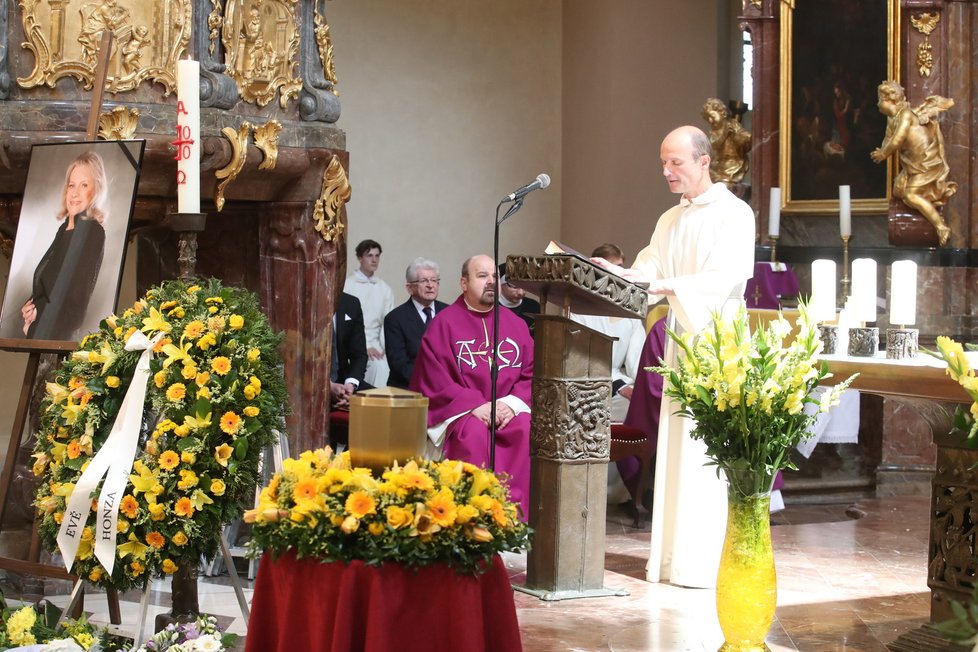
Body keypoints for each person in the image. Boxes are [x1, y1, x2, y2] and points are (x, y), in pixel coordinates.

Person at [592, 125, 755, 589]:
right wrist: (616, 272)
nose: (666, 171)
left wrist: (666, 287)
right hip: (681, 339)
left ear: (704, 161)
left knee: (705, 451)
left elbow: (728, 276)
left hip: (716, 340)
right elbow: (648, 271)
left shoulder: (734, 213)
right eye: (663, 162)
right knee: (677, 447)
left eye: (675, 162)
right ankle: (672, 560)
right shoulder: (669, 219)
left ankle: (702, 563)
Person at [409, 254, 534, 518]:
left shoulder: (517, 324)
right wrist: (475, 404)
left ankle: (513, 517)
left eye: (493, 276)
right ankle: (471, 516)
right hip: (466, 413)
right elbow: (434, 377)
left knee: (524, 428)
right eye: (481, 276)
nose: (490, 282)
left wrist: (510, 405)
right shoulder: (443, 324)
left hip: (507, 410)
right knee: (474, 434)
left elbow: (532, 372)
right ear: (463, 283)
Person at [570, 243, 646, 506]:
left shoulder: (629, 310)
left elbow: (638, 361)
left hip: (621, 385)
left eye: (621, 268)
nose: (618, 275)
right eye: (613, 268)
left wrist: (640, 387)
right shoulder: (579, 309)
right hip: (587, 385)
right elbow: (580, 360)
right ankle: (593, 493)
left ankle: (631, 492)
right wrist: (617, 385)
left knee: (638, 408)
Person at [21, 151, 108, 340]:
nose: (75, 193)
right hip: (43, 331)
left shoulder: (92, 232)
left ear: (97, 190)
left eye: (84, 185)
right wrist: (31, 306)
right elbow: (51, 278)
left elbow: (75, 300)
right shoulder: (64, 230)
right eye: (71, 185)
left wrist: (37, 320)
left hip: (56, 339)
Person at [870, 80, 956, 246]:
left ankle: (940, 226)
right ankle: (925, 205)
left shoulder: (906, 115)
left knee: (910, 195)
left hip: (926, 163)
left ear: (889, 100)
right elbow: (888, 139)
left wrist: (883, 154)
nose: (878, 103)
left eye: (880, 99)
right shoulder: (892, 119)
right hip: (912, 165)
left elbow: (897, 140)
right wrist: (882, 150)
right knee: (898, 190)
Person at [384, 258, 448, 389]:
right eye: (424, 281)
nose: (430, 285)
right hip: (409, 389)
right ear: (409, 288)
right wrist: (432, 382)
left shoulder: (449, 312)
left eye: (434, 280)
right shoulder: (395, 318)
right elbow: (399, 364)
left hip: (446, 387)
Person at [344, 239, 394, 387]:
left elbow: (387, 323)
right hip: (352, 342)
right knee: (378, 366)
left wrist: (385, 350)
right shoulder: (347, 285)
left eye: (377, 256)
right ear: (360, 257)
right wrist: (363, 347)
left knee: (384, 364)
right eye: (369, 255)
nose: (374, 260)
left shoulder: (385, 289)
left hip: (377, 344)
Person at [330, 292, 372, 409]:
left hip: (344, 380)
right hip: (310, 384)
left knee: (385, 405)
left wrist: (350, 384)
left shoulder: (350, 303)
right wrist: (328, 386)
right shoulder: (301, 300)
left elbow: (359, 355)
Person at [701, 97, 751, 187]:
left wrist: (737, 137)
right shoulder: (714, 132)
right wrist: (725, 134)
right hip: (718, 165)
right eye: (708, 119)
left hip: (733, 163)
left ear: (722, 113)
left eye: (712, 117)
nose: (710, 121)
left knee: (724, 185)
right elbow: (715, 146)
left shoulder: (734, 125)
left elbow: (747, 138)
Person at [498, 263, 541, 330]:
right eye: (514, 286)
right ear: (500, 284)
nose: (521, 292)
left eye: (525, 286)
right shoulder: (490, 307)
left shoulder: (534, 307)